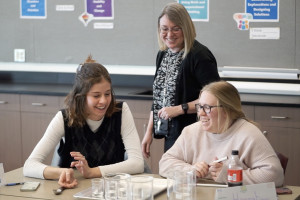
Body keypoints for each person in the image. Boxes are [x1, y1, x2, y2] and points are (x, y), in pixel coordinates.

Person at [23, 56, 144, 188]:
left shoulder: (121, 112)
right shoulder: (64, 118)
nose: (103, 101)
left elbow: (137, 163)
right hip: (73, 190)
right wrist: (63, 172)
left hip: (112, 191)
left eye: (107, 94)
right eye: (96, 96)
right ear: (81, 96)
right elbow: (29, 166)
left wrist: (92, 172)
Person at [159, 81, 284, 187]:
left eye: (207, 108)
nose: (201, 113)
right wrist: (190, 170)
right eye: (199, 107)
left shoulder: (248, 134)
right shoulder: (191, 131)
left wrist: (230, 175)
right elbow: (165, 164)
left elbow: (275, 176)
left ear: (227, 110)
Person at [142, 2, 220, 156]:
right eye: (164, 29)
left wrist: (179, 109)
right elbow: (159, 97)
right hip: (170, 133)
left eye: (176, 28)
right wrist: (149, 131)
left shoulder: (199, 56)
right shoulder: (163, 54)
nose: (169, 35)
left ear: (186, 28)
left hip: (195, 134)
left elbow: (215, 99)